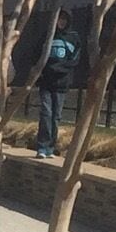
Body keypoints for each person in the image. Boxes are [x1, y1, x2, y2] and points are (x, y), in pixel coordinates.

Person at [33, 25, 77, 158]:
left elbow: (74, 59)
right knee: (46, 113)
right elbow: (36, 55)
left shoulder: (73, 38)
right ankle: (42, 146)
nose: (61, 22)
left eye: (64, 19)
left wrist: (59, 69)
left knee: (56, 116)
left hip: (62, 83)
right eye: (59, 19)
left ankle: (50, 148)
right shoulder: (47, 35)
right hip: (46, 81)